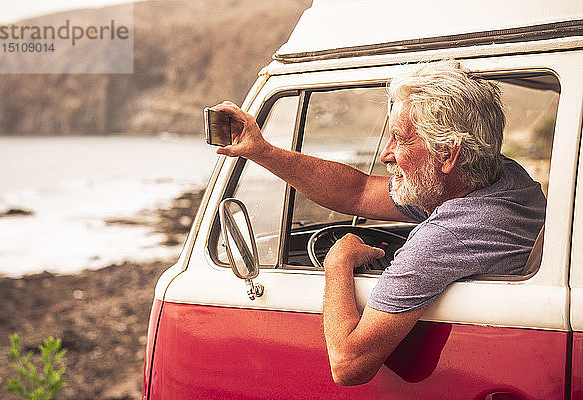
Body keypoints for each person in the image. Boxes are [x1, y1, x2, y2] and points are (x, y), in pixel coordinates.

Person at [212, 61, 546, 386]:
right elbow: (358, 192)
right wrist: (263, 151)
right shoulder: (501, 178)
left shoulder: (446, 237)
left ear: (447, 154)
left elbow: (348, 364)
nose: (386, 154)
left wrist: (338, 263)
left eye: (400, 139)